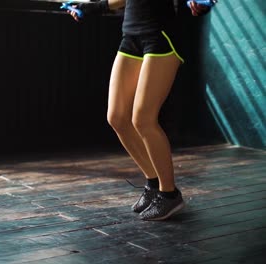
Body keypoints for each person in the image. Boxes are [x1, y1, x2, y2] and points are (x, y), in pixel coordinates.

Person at [67, 0, 212, 221]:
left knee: (143, 120)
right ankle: (153, 184)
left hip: (160, 36)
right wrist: (90, 7)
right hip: (131, 36)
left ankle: (169, 194)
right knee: (117, 117)